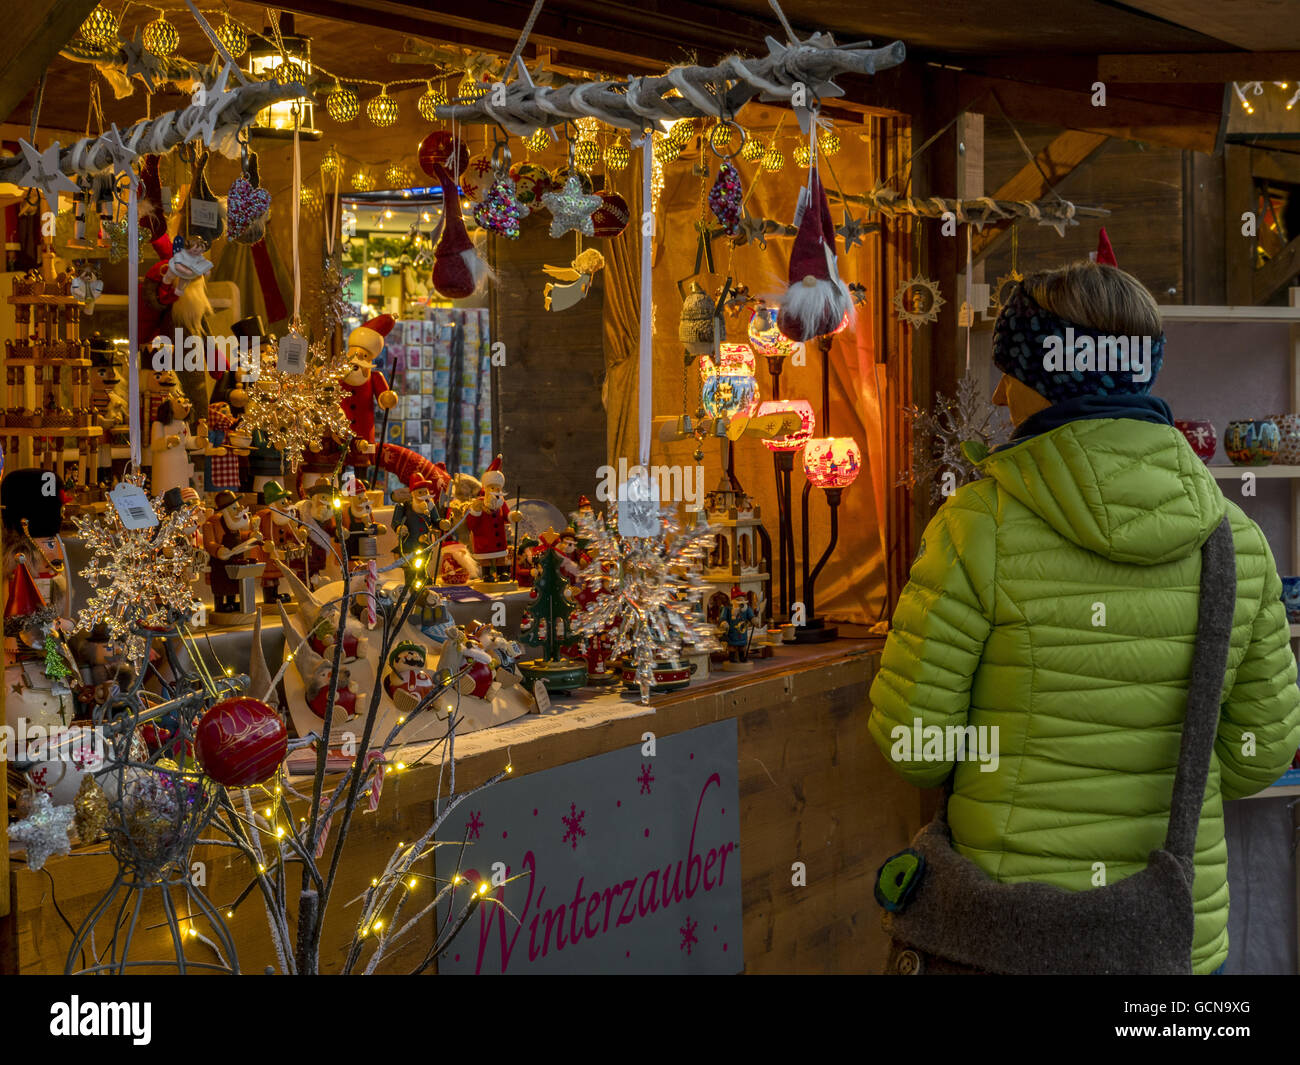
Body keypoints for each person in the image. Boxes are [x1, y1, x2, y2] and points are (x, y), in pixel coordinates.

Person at [869, 258, 1300, 975]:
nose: (1001, 394)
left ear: (1044, 378)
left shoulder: (974, 528)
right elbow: (1258, 757)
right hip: (1173, 943)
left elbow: (916, 749)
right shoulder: (1235, 542)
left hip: (1009, 935)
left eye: (1009, 371)